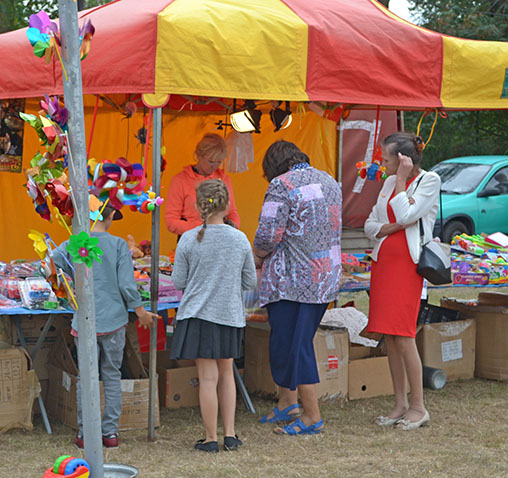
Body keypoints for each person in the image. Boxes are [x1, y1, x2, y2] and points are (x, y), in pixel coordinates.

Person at [52, 198, 158, 449]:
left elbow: (52, 262)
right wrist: (140, 310)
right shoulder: (119, 244)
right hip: (113, 321)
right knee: (111, 375)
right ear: (109, 216)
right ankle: (110, 433)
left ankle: (84, 432)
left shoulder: (75, 242)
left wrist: (66, 284)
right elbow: (126, 283)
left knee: (86, 378)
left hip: (85, 320)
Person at [253, 140, 342, 436]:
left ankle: (311, 416)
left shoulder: (282, 184)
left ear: (273, 166)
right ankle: (287, 402)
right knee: (293, 342)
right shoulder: (329, 179)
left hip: (291, 280)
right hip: (323, 278)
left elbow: (268, 234)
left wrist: (256, 257)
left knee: (295, 345)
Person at [170, 179, 256, 452]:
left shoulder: (188, 239)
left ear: (197, 206)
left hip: (198, 315)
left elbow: (179, 280)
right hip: (228, 314)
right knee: (227, 374)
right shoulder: (239, 238)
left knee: (207, 379)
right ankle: (230, 434)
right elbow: (250, 281)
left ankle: (210, 438)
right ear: (228, 205)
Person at [364, 132, 440, 431]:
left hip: (408, 267)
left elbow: (409, 211)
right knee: (390, 337)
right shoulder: (386, 182)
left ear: (403, 160)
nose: (382, 165)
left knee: (405, 335)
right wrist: (393, 226)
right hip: (383, 264)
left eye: (386, 159)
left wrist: (400, 182)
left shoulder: (429, 181)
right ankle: (399, 403)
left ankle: (419, 406)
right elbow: (370, 225)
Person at [165, 133, 240, 238]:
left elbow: (232, 213)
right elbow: (171, 221)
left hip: (220, 237)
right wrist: (201, 228)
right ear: (199, 156)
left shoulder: (224, 179)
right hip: (190, 238)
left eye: (219, 162)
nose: (214, 166)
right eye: (210, 161)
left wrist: (232, 228)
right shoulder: (180, 180)